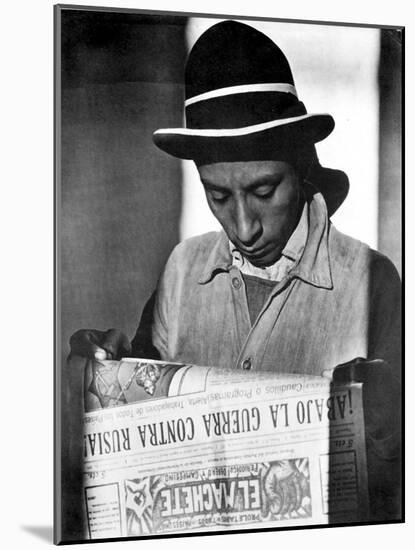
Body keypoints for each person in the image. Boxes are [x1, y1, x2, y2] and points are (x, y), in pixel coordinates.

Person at [69, 21, 402, 520]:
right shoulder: (182, 270)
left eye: (264, 191)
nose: (243, 227)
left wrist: (388, 425)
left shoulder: (371, 282)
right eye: (218, 195)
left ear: (302, 166)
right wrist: (108, 374)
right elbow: (141, 428)